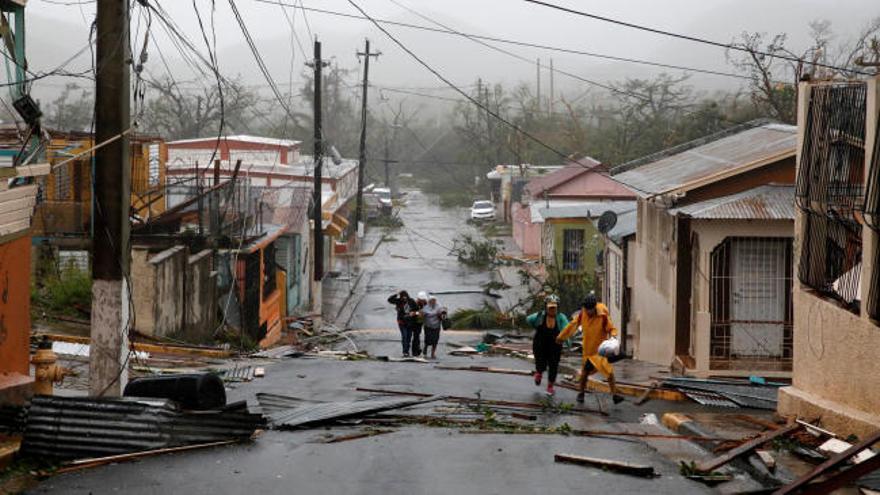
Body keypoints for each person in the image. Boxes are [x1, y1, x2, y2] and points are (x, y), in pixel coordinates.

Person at [556, 292, 624, 404]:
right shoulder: (583, 314)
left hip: (600, 351)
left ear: (594, 307)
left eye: (590, 309)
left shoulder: (603, 315)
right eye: (586, 309)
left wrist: (613, 336)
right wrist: (561, 337)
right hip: (588, 351)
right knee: (584, 374)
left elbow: (611, 328)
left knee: (610, 373)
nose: (588, 311)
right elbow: (572, 325)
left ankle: (615, 395)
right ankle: (581, 393)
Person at [525, 294, 569, 396]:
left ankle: (550, 387)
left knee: (553, 365)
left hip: (555, 345)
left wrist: (566, 341)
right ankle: (539, 373)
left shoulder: (561, 318)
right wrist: (536, 326)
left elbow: (568, 329)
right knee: (540, 361)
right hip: (540, 343)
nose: (552, 310)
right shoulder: (540, 316)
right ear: (546, 307)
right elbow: (528, 319)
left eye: (554, 307)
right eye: (550, 307)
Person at [388, 290, 421, 357]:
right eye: (402, 297)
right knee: (404, 336)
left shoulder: (411, 301)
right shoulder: (398, 301)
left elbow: (418, 311)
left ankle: (407, 350)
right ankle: (405, 352)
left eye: (405, 296)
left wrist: (414, 313)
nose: (404, 298)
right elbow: (389, 300)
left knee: (408, 337)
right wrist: (396, 294)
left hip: (410, 323)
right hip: (402, 322)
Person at [421, 294, 447, 359]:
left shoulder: (439, 306)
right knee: (427, 339)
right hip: (428, 326)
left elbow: (443, 313)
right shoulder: (426, 307)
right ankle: (425, 348)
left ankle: (433, 353)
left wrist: (443, 313)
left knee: (435, 340)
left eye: (434, 300)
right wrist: (421, 314)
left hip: (436, 326)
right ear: (429, 301)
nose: (433, 301)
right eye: (431, 300)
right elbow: (421, 315)